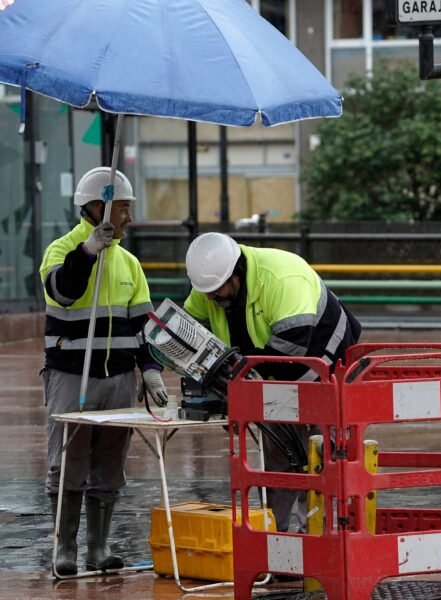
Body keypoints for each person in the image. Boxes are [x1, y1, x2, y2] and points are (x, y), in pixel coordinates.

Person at [183, 232, 361, 532]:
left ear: (236, 272)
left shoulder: (282, 278)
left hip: (327, 366)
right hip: (273, 374)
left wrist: (244, 387)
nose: (212, 298)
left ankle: (319, 538)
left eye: (217, 290)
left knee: (321, 457)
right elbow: (190, 328)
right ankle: (276, 540)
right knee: (279, 458)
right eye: (207, 292)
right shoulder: (212, 287)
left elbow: (294, 347)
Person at [39, 167, 168, 576]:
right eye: (124, 208)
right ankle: (66, 549)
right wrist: (87, 253)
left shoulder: (129, 263)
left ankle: (98, 547)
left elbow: (143, 325)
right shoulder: (62, 250)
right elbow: (63, 290)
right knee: (69, 459)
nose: (129, 217)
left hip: (118, 379)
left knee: (111, 460)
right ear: (99, 206)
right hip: (71, 377)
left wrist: (150, 370)